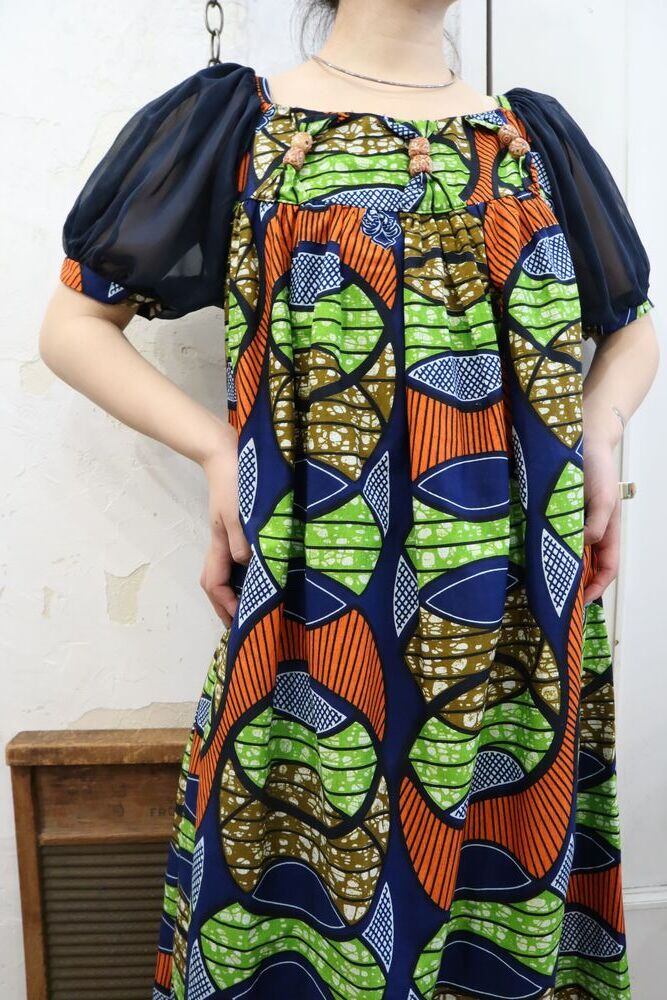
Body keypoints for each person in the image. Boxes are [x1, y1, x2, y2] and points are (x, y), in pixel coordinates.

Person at [38, 0, 659, 996]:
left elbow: (629, 326)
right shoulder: (241, 126)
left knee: (497, 913)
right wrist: (215, 451)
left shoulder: (531, 139)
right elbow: (73, 325)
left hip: (519, 623)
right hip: (322, 608)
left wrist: (601, 427)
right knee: (306, 905)